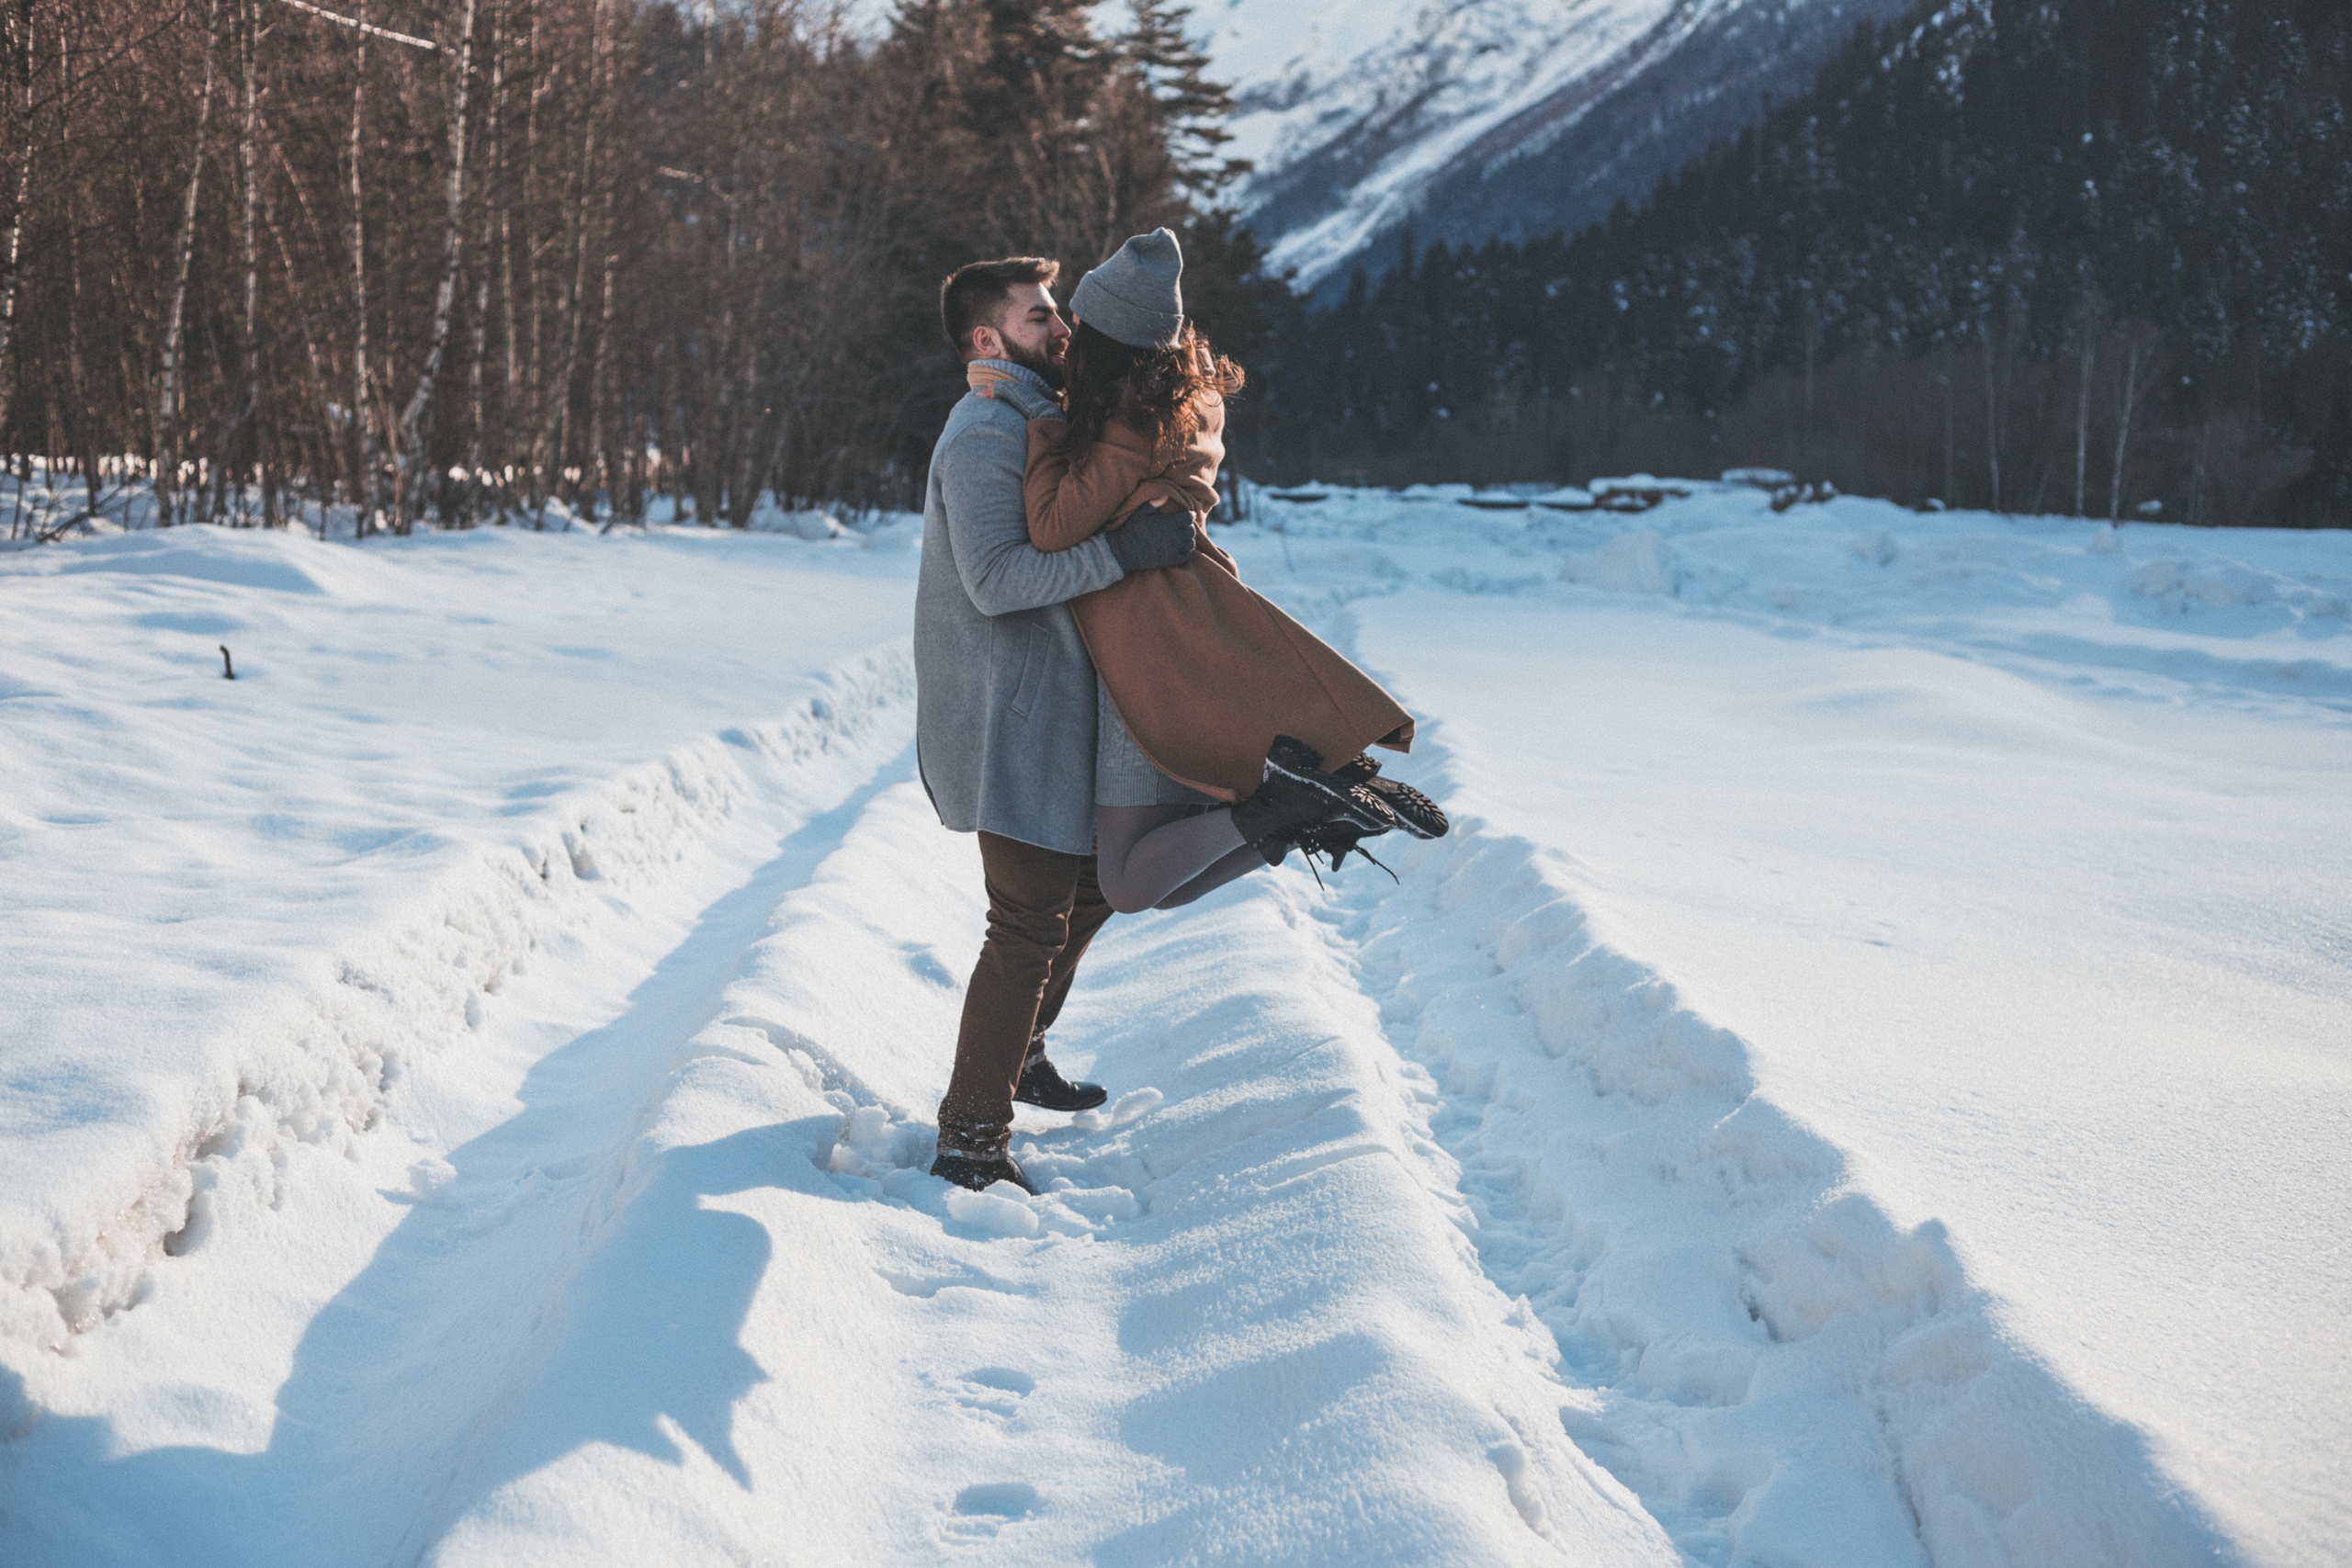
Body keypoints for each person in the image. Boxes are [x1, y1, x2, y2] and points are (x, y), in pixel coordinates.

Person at [914, 256, 1392, 1196]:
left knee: (1089, 890)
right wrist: (1119, 552)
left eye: (1058, 312)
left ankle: (1022, 1057)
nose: (1059, 330)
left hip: (1052, 713)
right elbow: (998, 582)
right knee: (1024, 924)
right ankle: (969, 1138)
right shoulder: (982, 432)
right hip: (1006, 726)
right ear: (985, 339)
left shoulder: (1036, 415)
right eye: (1038, 315)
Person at [989, 229, 1451, 917]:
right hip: (1189, 619)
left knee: (1126, 881)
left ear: (1110, 341)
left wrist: (1043, 425)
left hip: (1145, 644)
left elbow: (1054, 527)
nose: (1068, 337)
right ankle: (1296, 811)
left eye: (1080, 325)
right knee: (1154, 875)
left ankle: (1285, 809)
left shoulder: (1125, 422)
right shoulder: (1189, 398)